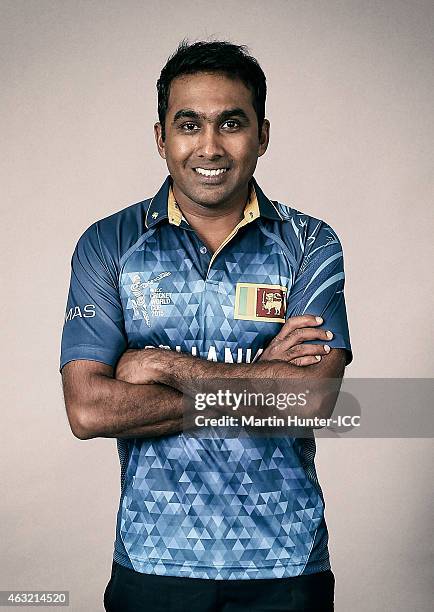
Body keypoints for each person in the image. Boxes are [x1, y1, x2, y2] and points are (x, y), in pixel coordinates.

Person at [60, 40, 352, 612]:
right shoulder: (108, 245)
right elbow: (88, 410)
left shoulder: (310, 243)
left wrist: (162, 367)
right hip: (152, 561)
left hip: (287, 566)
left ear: (262, 135)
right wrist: (266, 378)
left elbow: (315, 399)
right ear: (160, 137)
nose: (210, 146)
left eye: (232, 123)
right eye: (189, 124)